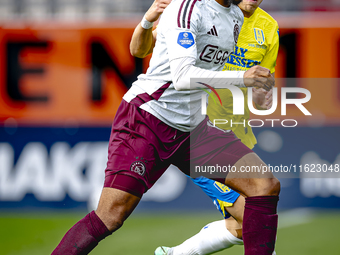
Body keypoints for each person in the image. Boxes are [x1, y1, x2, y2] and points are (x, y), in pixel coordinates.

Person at [52, 0, 280, 254]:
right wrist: (242, 78)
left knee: (264, 185)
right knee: (111, 215)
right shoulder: (187, 8)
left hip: (194, 128)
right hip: (148, 120)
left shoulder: (235, 17)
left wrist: (258, 89)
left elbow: (210, 73)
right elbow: (182, 78)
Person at [130, 1, 279, 254]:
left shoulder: (268, 27)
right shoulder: (197, 12)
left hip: (237, 137)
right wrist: (147, 21)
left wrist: (261, 95)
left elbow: (261, 85)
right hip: (199, 134)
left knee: (246, 225)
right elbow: (138, 50)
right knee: (254, 218)